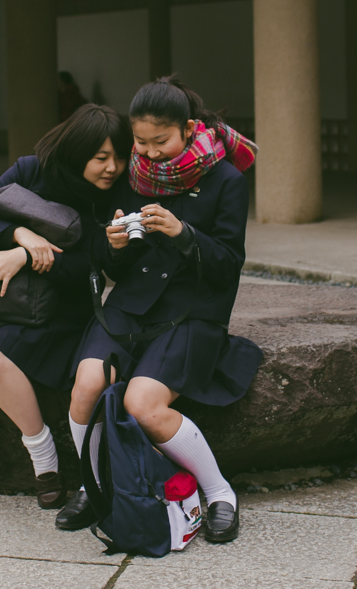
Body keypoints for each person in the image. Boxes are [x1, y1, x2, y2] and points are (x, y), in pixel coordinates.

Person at [56, 76, 263, 543]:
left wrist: (183, 232)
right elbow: (115, 265)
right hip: (129, 307)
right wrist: (111, 246)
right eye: (141, 142)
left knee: (143, 405)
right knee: (87, 385)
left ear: (189, 130)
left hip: (192, 311)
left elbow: (229, 265)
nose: (148, 154)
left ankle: (219, 493)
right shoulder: (133, 177)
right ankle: (97, 485)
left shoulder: (227, 180)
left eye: (160, 142)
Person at [0, 104, 132, 509]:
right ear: (77, 152)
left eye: (119, 157)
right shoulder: (30, 171)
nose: (112, 167)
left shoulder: (109, 197)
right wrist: (18, 235)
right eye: (100, 158)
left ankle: (45, 463)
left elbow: (93, 266)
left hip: (57, 312)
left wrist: (30, 260)